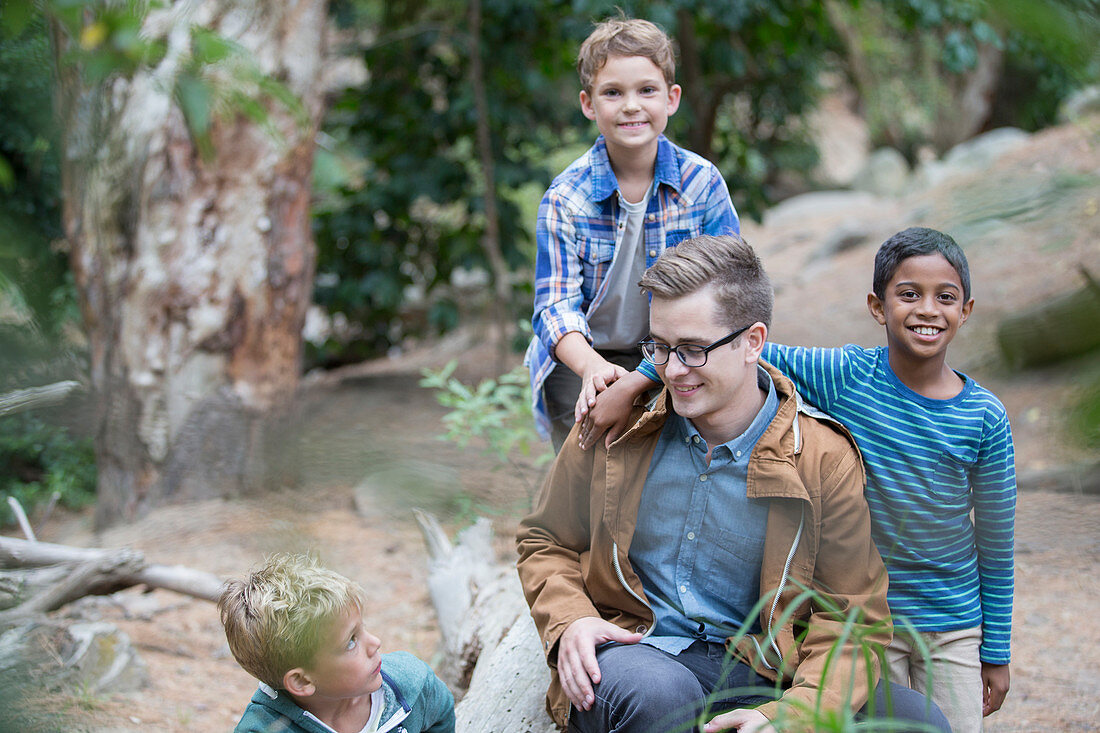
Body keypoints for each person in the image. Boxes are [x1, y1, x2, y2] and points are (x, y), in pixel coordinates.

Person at [582, 227, 1015, 733]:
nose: (927, 310)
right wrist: (639, 377)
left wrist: (997, 646)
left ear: (966, 309)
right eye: (909, 294)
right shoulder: (847, 373)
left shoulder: (983, 416)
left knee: (935, 721)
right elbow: (731, 351)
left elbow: (996, 536)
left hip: (947, 617)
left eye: (946, 298)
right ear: (878, 306)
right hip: (879, 611)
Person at [525, 14, 739, 451]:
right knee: (594, 453)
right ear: (588, 104)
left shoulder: (702, 184)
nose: (630, 105)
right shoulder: (566, 198)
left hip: (682, 347)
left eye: (647, 90)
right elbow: (554, 308)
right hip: (585, 352)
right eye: (612, 93)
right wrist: (593, 369)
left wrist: (644, 376)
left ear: (672, 98)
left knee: (683, 448)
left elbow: (730, 292)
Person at [219, 553, 455, 733]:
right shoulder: (263, 728)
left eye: (362, 629)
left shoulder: (412, 684)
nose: (375, 643)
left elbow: (442, 713)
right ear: (302, 681)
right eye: (351, 642)